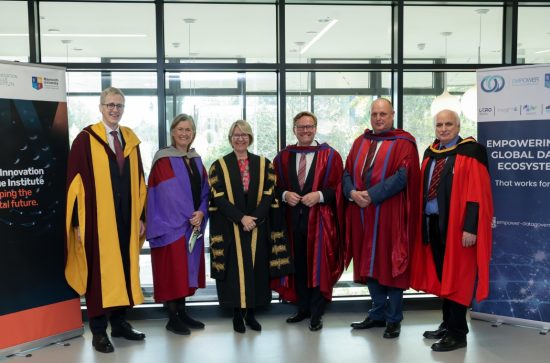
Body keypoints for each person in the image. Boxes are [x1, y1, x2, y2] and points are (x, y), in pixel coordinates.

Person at [65, 87, 147, 353]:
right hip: (97, 222)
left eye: (119, 105)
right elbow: (74, 185)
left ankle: (120, 323)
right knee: (99, 275)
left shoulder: (131, 141)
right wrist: (77, 223)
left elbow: (140, 183)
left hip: (125, 218)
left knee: (123, 268)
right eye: (110, 105)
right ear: (100, 107)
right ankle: (99, 331)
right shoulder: (85, 140)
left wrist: (141, 216)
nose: (115, 110)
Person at [410, 109, 493, 352]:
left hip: (459, 228)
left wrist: (471, 227)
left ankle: (458, 334)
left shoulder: (471, 152)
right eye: (439, 125)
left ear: (458, 126)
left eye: (448, 124)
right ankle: (448, 323)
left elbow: (477, 194)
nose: (443, 129)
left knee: (458, 277)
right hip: (433, 223)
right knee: (442, 274)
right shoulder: (431, 152)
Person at [344, 98, 420, 339]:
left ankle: (394, 319)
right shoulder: (360, 141)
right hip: (363, 213)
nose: (378, 118)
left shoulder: (404, 142)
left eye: (383, 114)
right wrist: (352, 193)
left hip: (390, 213)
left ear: (392, 114)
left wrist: (371, 195)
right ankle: (377, 313)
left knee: (392, 263)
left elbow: (403, 175)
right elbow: (346, 172)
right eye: (375, 113)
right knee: (369, 264)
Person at [208, 120, 291, 333]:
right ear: (230, 138)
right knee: (234, 269)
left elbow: (268, 194)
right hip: (230, 226)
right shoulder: (219, 165)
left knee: (255, 267)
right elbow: (219, 197)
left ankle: (251, 313)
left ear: (250, 138)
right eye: (236, 134)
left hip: (258, 224)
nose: (240, 138)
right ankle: (237, 314)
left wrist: (253, 218)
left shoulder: (264, 164)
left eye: (244, 134)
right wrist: (240, 218)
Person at [272, 111, 345, 332]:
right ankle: (302, 308)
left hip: (321, 221)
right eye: (301, 127)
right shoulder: (282, 157)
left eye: (309, 126)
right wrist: (285, 195)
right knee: (298, 265)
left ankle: (316, 312)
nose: (305, 130)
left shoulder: (331, 156)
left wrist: (320, 196)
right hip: (292, 221)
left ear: (315, 128)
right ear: (294, 129)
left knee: (318, 266)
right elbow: (273, 188)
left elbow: (338, 188)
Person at [146, 114, 209, 335]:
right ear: (173, 132)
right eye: (180, 129)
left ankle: (182, 313)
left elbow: (205, 190)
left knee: (185, 271)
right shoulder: (163, 159)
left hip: (191, 225)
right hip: (170, 226)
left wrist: (201, 212)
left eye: (188, 130)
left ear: (193, 134)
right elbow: (166, 195)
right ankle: (172, 317)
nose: (184, 133)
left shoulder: (196, 158)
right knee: (173, 272)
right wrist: (188, 217)